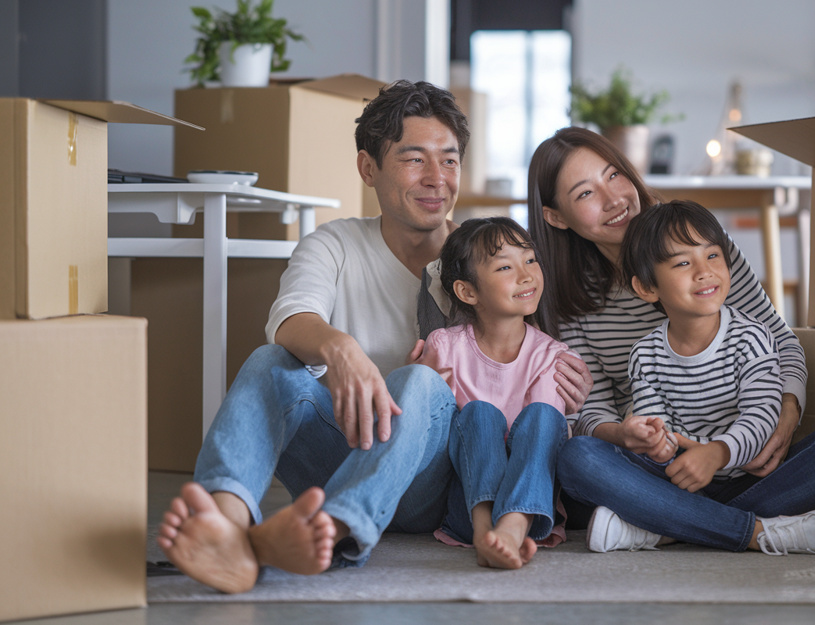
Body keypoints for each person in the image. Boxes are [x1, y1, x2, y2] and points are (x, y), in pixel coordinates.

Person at [155, 81, 592, 595]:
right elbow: (291, 318)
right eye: (414, 159)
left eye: (449, 161)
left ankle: (334, 531)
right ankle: (226, 531)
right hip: (340, 450)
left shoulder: (484, 260)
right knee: (270, 360)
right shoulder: (335, 243)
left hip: (435, 480)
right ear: (368, 168)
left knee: (420, 383)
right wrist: (340, 348)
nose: (436, 178)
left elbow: (526, 358)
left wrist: (574, 392)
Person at [526, 126, 815, 555]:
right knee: (579, 459)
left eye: (614, 175)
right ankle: (753, 531)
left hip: (748, 458)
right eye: (586, 193)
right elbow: (591, 411)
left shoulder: (703, 249)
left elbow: (781, 342)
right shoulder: (566, 297)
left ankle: (665, 526)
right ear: (556, 216)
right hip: (659, 470)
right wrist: (627, 435)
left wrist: (786, 415)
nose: (613, 200)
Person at [616, 199, 815, 555]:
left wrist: (716, 453)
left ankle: (674, 526)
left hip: (754, 479)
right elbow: (659, 432)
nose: (704, 272)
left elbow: (762, 417)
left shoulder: (752, 337)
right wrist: (656, 442)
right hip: (683, 481)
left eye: (712, 256)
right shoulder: (645, 355)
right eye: (683, 263)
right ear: (647, 287)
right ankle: (744, 527)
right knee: (580, 455)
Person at [415, 217, 575, 569]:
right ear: (467, 292)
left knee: (545, 416)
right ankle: (486, 531)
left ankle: (512, 527)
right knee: (479, 413)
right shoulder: (444, 347)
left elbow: (543, 439)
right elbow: (430, 426)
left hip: (532, 512)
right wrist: (417, 381)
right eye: (505, 267)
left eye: (530, 260)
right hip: (466, 508)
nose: (526, 275)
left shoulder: (553, 356)